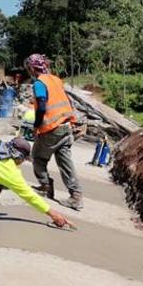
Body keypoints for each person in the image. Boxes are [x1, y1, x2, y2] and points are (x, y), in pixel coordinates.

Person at [24, 53, 83, 210]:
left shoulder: (39, 83)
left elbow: (42, 106)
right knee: (65, 162)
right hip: (66, 126)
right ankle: (76, 196)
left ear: (32, 68)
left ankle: (45, 187)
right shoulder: (55, 80)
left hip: (51, 129)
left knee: (37, 157)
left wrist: (36, 125)